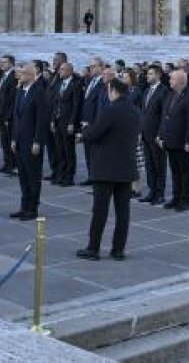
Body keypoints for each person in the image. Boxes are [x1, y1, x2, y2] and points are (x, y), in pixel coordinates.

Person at [77, 77, 140, 261]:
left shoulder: (111, 109)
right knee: (123, 212)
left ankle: (93, 248)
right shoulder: (134, 111)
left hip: (106, 169)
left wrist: (86, 130)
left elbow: (95, 133)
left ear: (113, 91)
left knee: (100, 211)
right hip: (126, 167)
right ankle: (118, 250)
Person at [10, 63, 51, 219]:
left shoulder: (39, 93)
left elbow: (42, 120)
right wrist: (14, 139)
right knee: (23, 176)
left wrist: (37, 142)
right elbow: (16, 118)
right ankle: (24, 205)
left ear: (31, 76)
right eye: (19, 74)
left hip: (32, 142)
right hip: (20, 141)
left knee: (33, 176)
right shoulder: (20, 92)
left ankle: (32, 209)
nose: (19, 76)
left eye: (22, 74)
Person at [157, 69, 189, 211]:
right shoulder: (170, 94)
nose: (169, 81)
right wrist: (161, 135)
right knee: (175, 171)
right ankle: (176, 197)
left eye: (172, 79)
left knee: (184, 172)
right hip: (170, 140)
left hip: (182, 141)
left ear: (180, 81)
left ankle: (184, 200)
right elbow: (165, 116)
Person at [138, 66, 169, 205]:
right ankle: (152, 191)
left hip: (156, 136)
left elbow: (164, 116)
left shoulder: (164, 91)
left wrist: (160, 134)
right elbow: (142, 113)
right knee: (149, 165)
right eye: (147, 74)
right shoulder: (146, 91)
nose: (147, 76)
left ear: (158, 75)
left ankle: (160, 193)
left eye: (150, 74)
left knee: (159, 165)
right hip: (145, 134)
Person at [50, 62, 81, 186]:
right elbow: (55, 104)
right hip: (57, 121)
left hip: (67, 122)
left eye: (62, 69)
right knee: (59, 150)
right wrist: (52, 120)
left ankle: (69, 177)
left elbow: (76, 105)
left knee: (69, 151)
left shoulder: (75, 85)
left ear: (69, 71)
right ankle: (60, 175)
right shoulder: (58, 84)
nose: (59, 71)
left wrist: (72, 122)